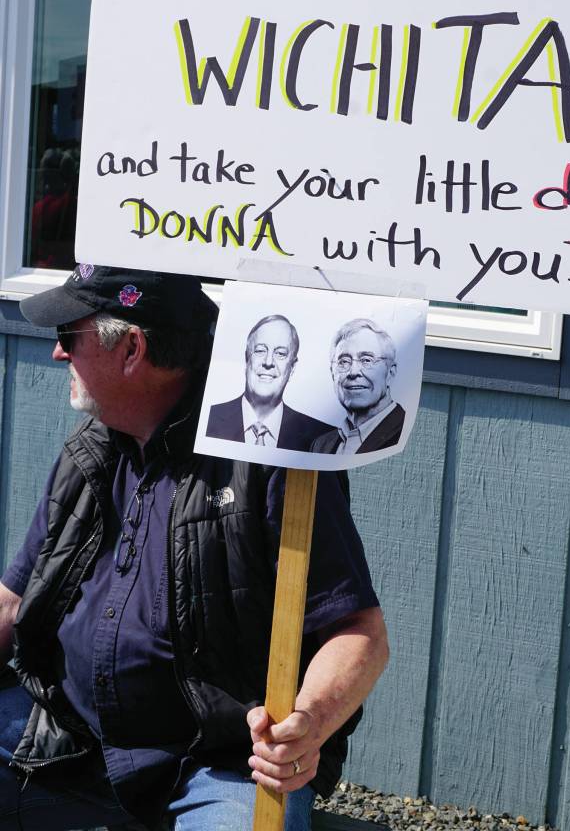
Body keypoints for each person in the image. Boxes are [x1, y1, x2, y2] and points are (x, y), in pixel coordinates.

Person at [0, 265, 388, 831]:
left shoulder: (270, 464)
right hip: (65, 735)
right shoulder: (91, 451)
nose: (60, 355)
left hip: (214, 767)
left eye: (70, 336)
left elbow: (360, 632)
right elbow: (12, 602)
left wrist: (308, 722)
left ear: (132, 348)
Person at [206, 314, 333, 450]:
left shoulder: (322, 437)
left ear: (292, 367)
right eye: (260, 350)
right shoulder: (207, 420)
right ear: (247, 358)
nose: (268, 362)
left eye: (280, 353)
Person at [311, 319, 405, 455]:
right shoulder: (321, 445)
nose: (353, 372)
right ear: (332, 373)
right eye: (343, 362)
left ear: (390, 373)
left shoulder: (404, 434)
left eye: (366, 360)